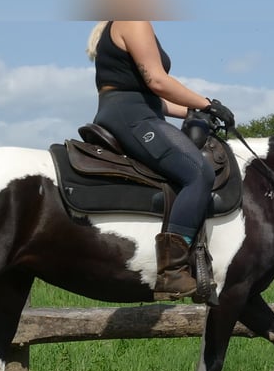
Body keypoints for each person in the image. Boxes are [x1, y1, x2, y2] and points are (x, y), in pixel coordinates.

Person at [86, 20, 235, 301]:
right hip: (130, 115)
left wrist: (195, 112)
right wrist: (208, 103)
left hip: (137, 110)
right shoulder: (132, 19)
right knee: (198, 171)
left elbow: (155, 98)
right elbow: (157, 81)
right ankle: (173, 270)